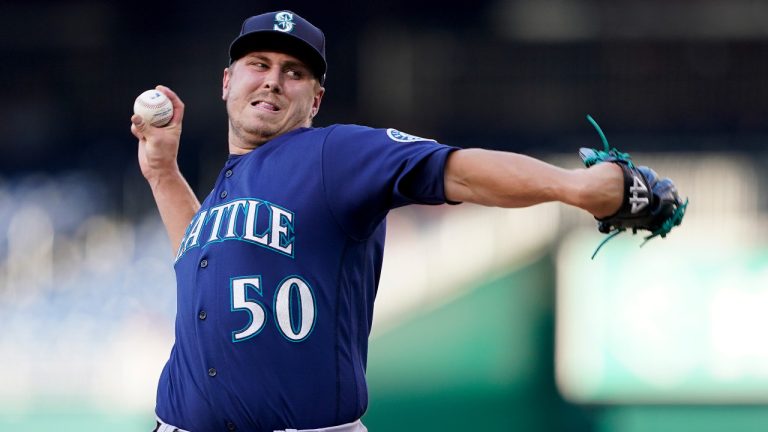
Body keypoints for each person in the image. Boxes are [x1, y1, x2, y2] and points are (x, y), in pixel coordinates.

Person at [129, 10, 676, 432]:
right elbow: (203, 257)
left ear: (315, 100)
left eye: (293, 72)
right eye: (259, 65)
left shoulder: (331, 155)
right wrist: (162, 174)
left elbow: (455, 169)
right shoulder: (224, 190)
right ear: (227, 83)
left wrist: (574, 187)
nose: (273, 81)